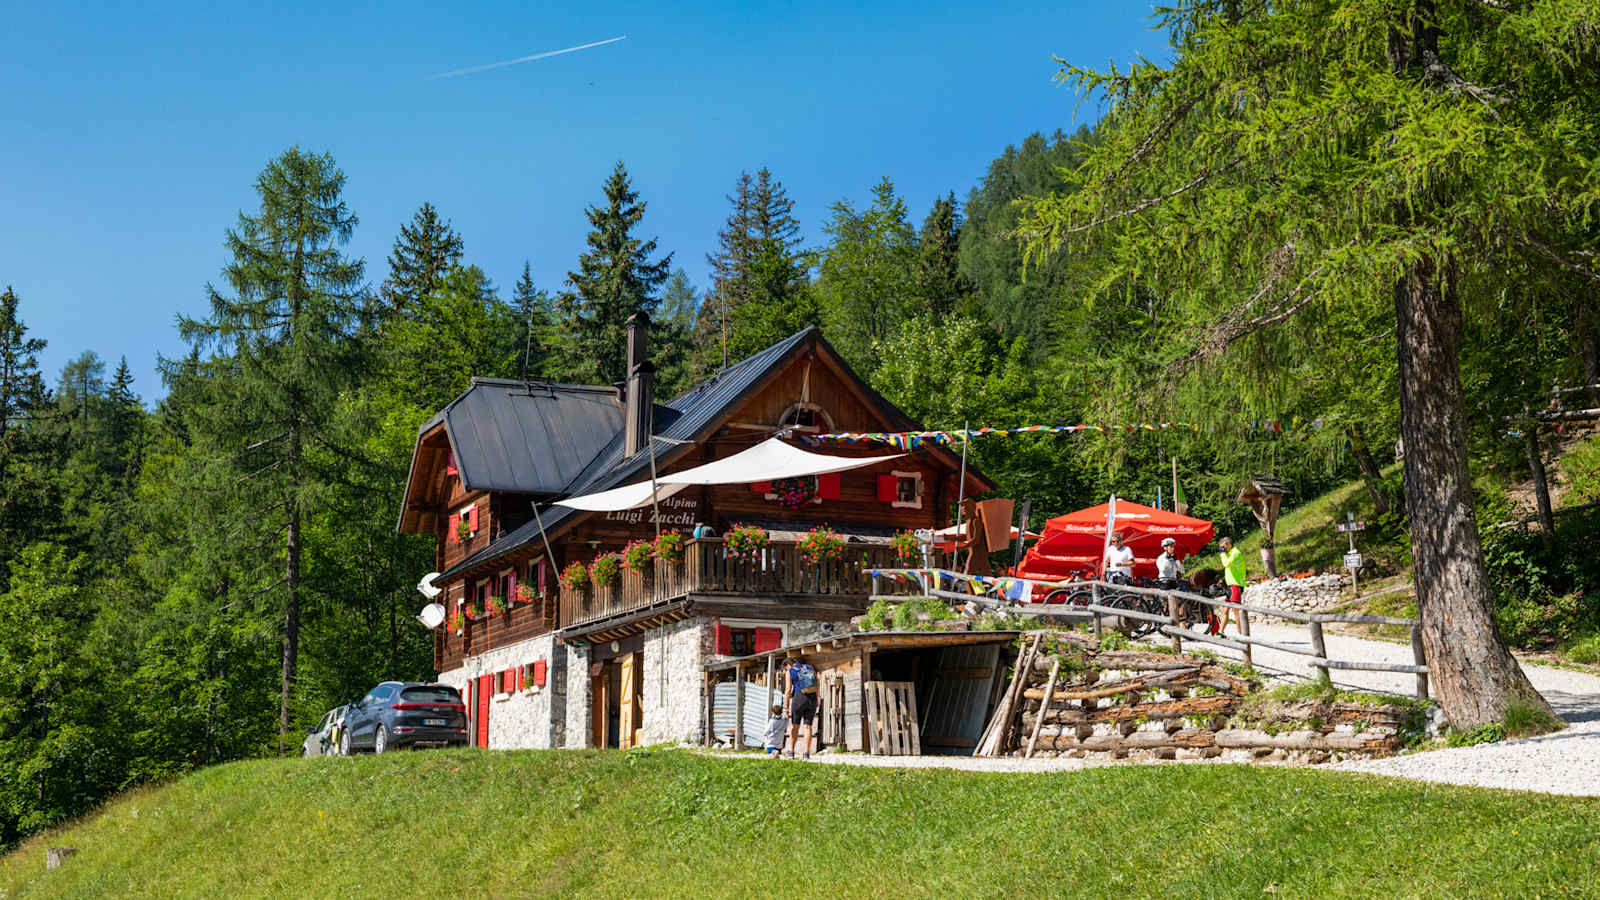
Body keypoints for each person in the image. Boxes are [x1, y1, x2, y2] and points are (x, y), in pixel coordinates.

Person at [782, 651, 819, 759]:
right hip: (811, 697)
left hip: (799, 698)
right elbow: (817, 682)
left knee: (795, 726)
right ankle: (806, 753)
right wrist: (817, 698)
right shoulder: (809, 668)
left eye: (785, 668)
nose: (786, 670)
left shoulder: (790, 671)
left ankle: (791, 751)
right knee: (808, 726)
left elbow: (788, 689)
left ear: (788, 665)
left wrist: (786, 706)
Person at [1218, 536, 1246, 634]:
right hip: (1230, 585)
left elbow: (1226, 564)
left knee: (1236, 612)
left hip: (1236, 585)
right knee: (1225, 610)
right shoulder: (1229, 553)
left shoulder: (1235, 553)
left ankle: (1241, 634)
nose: (1222, 549)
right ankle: (1221, 632)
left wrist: (1222, 554)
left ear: (1228, 544)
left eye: (1223, 547)